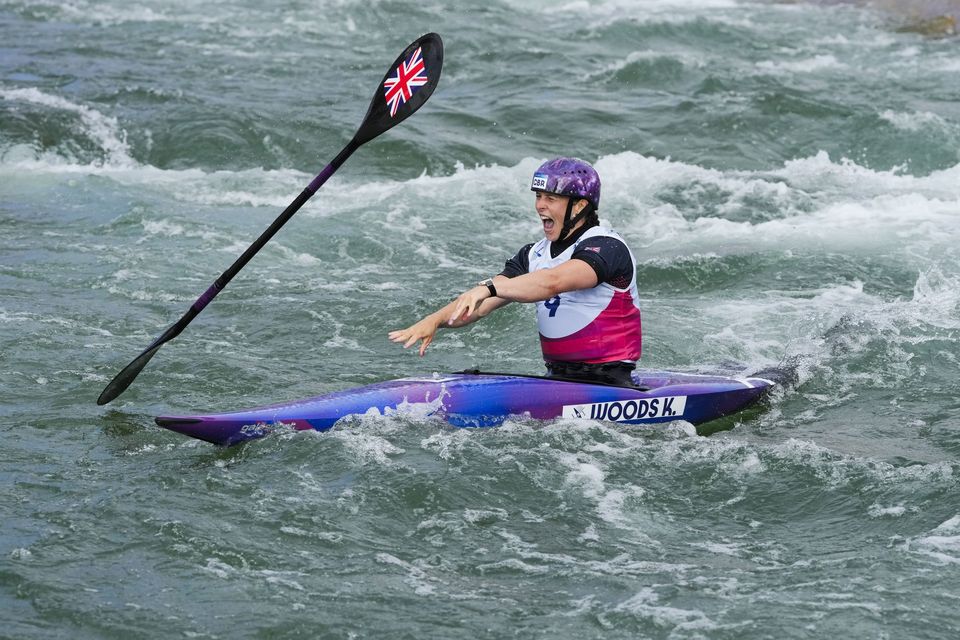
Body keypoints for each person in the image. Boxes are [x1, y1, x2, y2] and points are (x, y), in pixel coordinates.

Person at [388, 157, 642, 386]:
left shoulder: (607, 247)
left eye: (550, 198)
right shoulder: (533, 254)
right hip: (558, 378)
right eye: (538, 196)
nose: (540, 206)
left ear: (578, 206)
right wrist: (435, 321)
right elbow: (481, 305)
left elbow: (553, 281)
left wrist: (487, 287)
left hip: (610, 383)